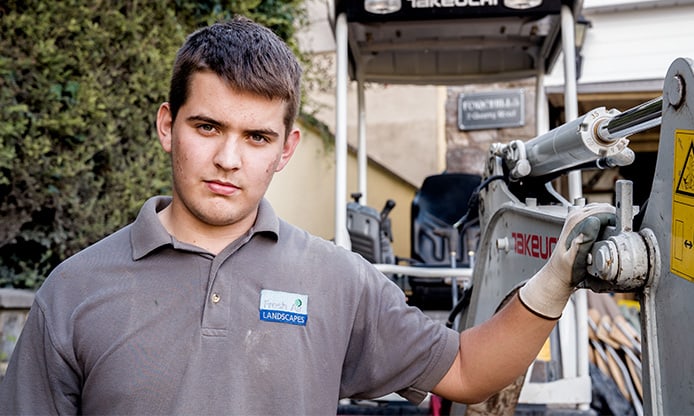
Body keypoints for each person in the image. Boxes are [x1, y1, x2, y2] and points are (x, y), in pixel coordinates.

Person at [0, 16, 615, 415]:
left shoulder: (335, 279)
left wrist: (552, 283)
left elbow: (466, 368)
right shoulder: (76, 290)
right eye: (207, 126)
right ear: (168, 126)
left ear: (287, 148)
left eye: (258, 137)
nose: (228, 158)